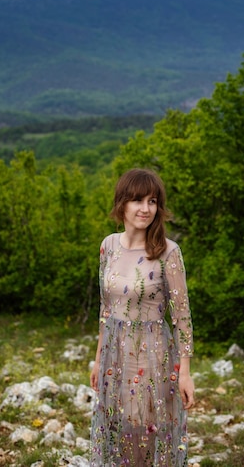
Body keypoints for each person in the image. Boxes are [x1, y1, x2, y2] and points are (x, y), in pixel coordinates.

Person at [90, 168, 194, 467]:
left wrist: (185, 372)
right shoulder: (108, 246)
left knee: (148, 425)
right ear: (122, 203)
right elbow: (105, 308)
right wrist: (98, 359)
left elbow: (182, 317)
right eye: (138, 200)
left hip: (154, 355)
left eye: (152, 201)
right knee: (118, 424)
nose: (146, 208)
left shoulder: (168, 252)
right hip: (115, 353)